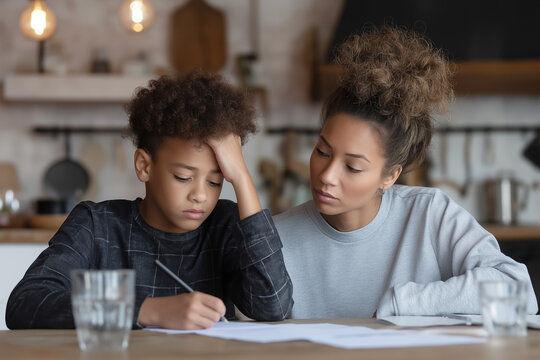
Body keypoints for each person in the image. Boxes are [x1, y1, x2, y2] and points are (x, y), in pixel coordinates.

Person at [274, 25, 537, 319]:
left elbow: (518, 289)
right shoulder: (276, 238)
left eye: (353, 167)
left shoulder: (429, 215)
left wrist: (407, 302)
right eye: (322, 151)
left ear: (390, 176)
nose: (327, 176)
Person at [7, 71, 293, 330]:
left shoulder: (226, 225)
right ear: (144, 166)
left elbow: (274, 307)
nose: (201, 195)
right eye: (183, 177)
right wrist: (146, 310)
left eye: (216, 181)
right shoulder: (97, 226)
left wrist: (242, 178)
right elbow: (25, 303)